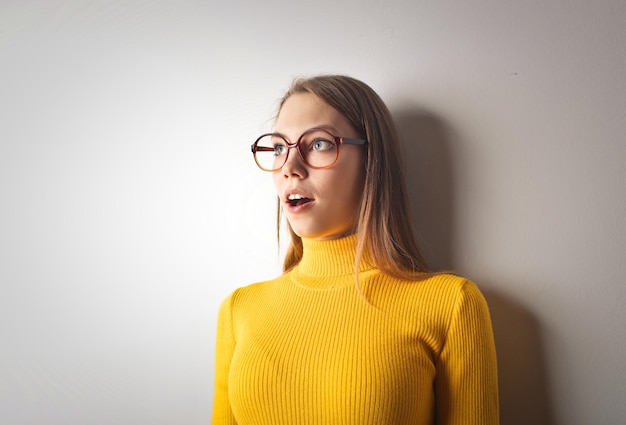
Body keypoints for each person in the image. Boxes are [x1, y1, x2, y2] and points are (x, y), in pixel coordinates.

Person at [211, 74, 499, 424]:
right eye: (278, 148)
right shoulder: (238, 311)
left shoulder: (452, 306)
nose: (290, 167)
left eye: (318, 144)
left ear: (372, 161)